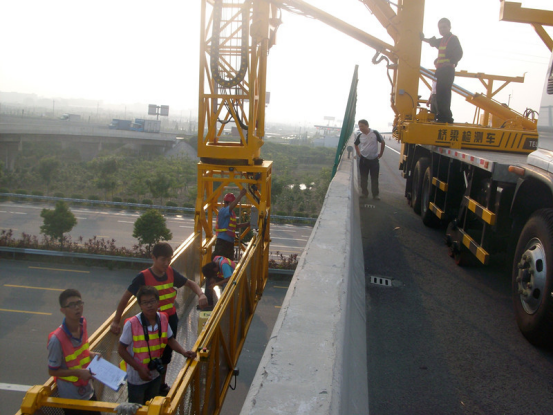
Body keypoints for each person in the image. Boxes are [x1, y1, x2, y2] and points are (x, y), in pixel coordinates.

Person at [110, 242, 207, 395]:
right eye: (163, 259)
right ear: (153, 258)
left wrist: (201, 294)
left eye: (169, 259)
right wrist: (116, 321)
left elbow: (189, 283)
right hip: (151, 320)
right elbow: (125, 298)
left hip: (169, 319)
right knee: (151, 350)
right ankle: (147, 380)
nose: (167, 263)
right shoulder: (143, 277)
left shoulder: (170, 272)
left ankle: (161, 384)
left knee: (167, 353)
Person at [118, 286, 196, 405]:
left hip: (155, 373)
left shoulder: (163, 318)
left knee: (152, 405)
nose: (149, 305)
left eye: (152, 301)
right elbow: (121, 350)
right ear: (140, 305)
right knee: (136, 408)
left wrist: (184, 352)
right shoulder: (131, 324)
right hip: (137, 378)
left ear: (158, 302)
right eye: (145, 302)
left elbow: (171, 340)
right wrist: (139, 369)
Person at [47, 289, 101, 415]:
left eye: (79, 303)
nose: (77, 308)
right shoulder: (56, 339)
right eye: (72, 305)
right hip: (72, 398)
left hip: (88, 389)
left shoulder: (83, 323)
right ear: (63, 310)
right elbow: (52, 370)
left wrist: (91, 354)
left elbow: (80, 351)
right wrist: (77, 372)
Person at [421, 18, 463, 124]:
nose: (442, 29)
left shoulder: (453, 39)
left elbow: (459, 53)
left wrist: (451, 62)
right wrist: (422, 38)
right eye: (440, 28)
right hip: (441, 71)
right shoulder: (442, 40)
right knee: (440, 94)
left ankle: (446, 117)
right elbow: (433, 41)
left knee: (445, 94)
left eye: (444, 27)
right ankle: (441, 116)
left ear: (449, 27)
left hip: (448, 70)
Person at [213, 188, 249, 260]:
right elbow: (232, 206)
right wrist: (241, 195)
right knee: (219, 262)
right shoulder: (223, 211)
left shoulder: (231, 213)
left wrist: (246, 224)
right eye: (232, 203)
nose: (234, 205)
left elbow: (233, 226)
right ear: (228, 203)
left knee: (228, 262)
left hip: (229, 242)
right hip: (222, 242)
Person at [354, 119, 385, 200]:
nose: (361, 128)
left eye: (362, 126)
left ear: (367, 126)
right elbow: (355, 144)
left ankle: (375, 195)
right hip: (364, 160)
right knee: (363, 178)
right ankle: (364, 193)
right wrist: (358, 153)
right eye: (360, 126)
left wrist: (381, 153)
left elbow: (382, 142)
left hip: (374, 160)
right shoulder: (360, 136)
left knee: (374, 178)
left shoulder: (374, 133)